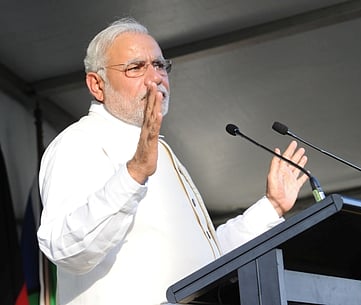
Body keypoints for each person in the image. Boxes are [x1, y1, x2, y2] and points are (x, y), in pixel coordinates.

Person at [37, 17, 310, 305]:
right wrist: (134, 174)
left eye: (158, 65)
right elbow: (66, 247)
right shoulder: (80, 141)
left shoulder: (163, 151)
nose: (155, 77)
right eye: (136, 67)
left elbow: (206, 260)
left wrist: (272, 207)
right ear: (97, 84)